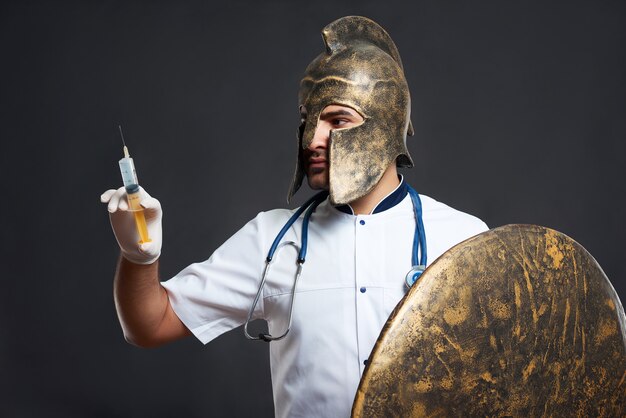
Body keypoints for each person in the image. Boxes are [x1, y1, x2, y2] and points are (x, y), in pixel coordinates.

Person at [101, 16, 488, 418]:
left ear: (387, 125)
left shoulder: (464, 240)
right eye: (307, 120)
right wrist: (138, 258)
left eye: (337, 120)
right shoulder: (272, 239)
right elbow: (148, 325)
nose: (312, 140)